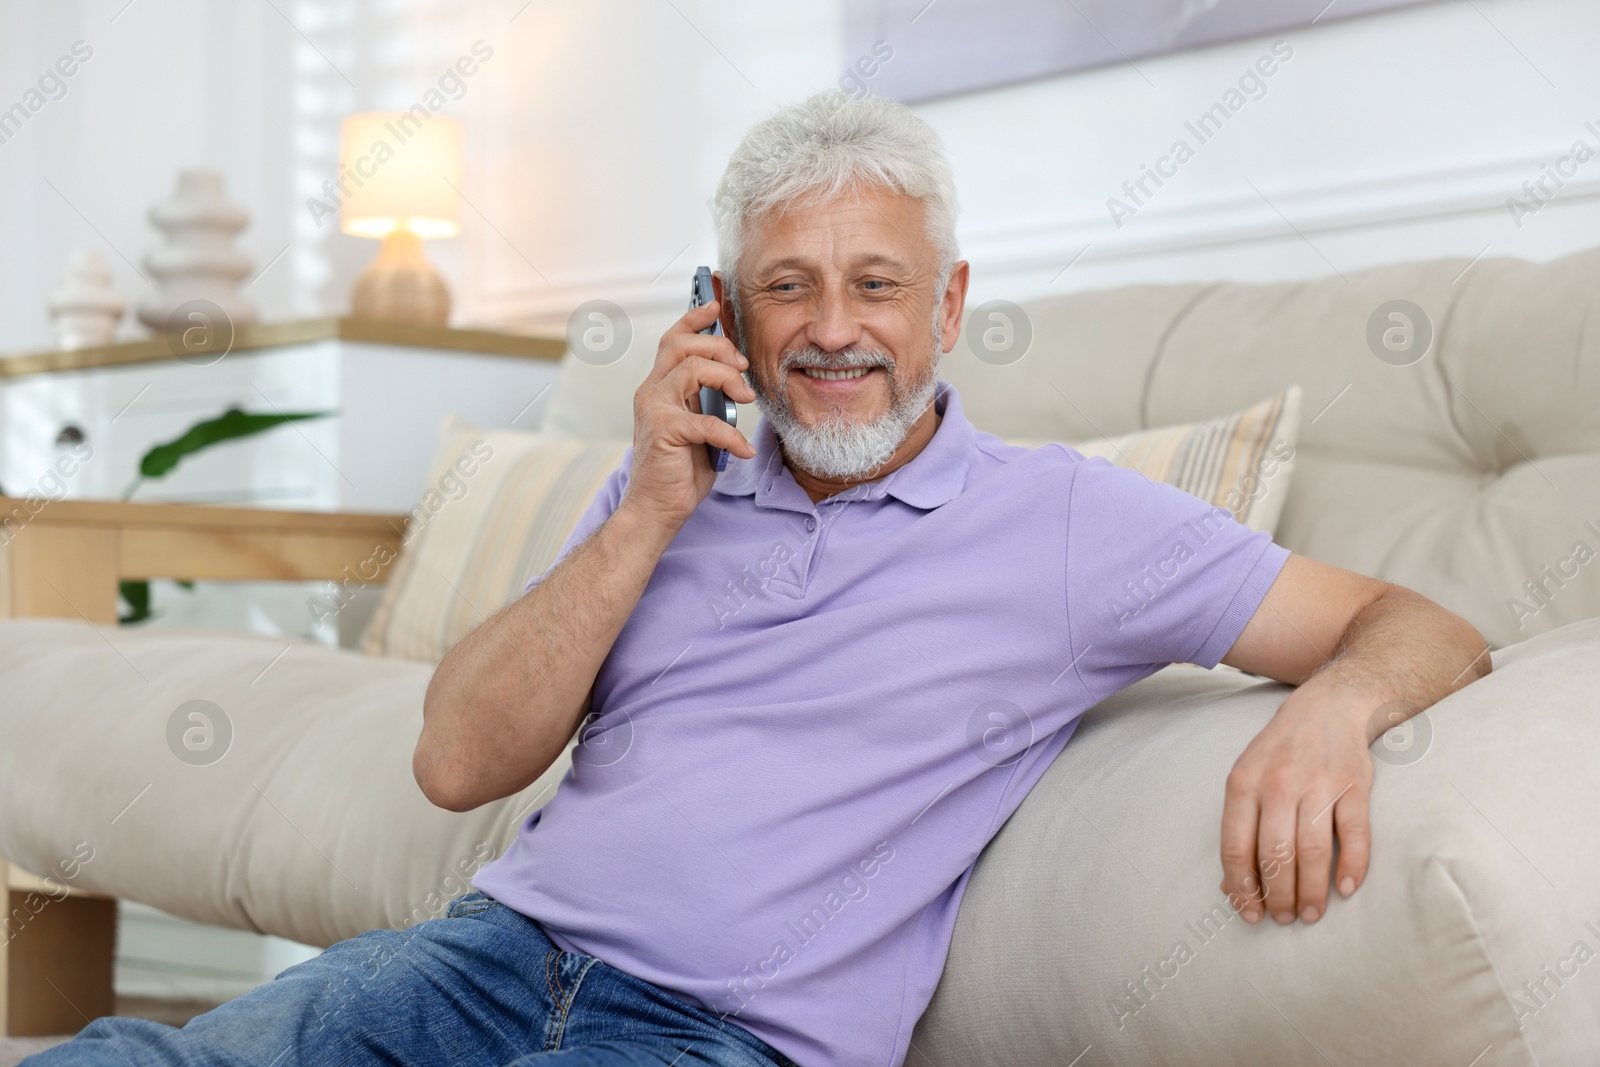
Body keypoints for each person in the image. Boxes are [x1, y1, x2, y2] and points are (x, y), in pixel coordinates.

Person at [33, 91, 1490, 1067]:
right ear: (723, 309)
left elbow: (1411, 621)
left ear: (951, 306)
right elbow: (456, 759)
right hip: (484, 959)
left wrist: (1327, 712)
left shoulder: (1065, 525)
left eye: (877, 282)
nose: (833, 327)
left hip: (710, 1036)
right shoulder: (667, 490)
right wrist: (648, 510)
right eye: (788, 283)